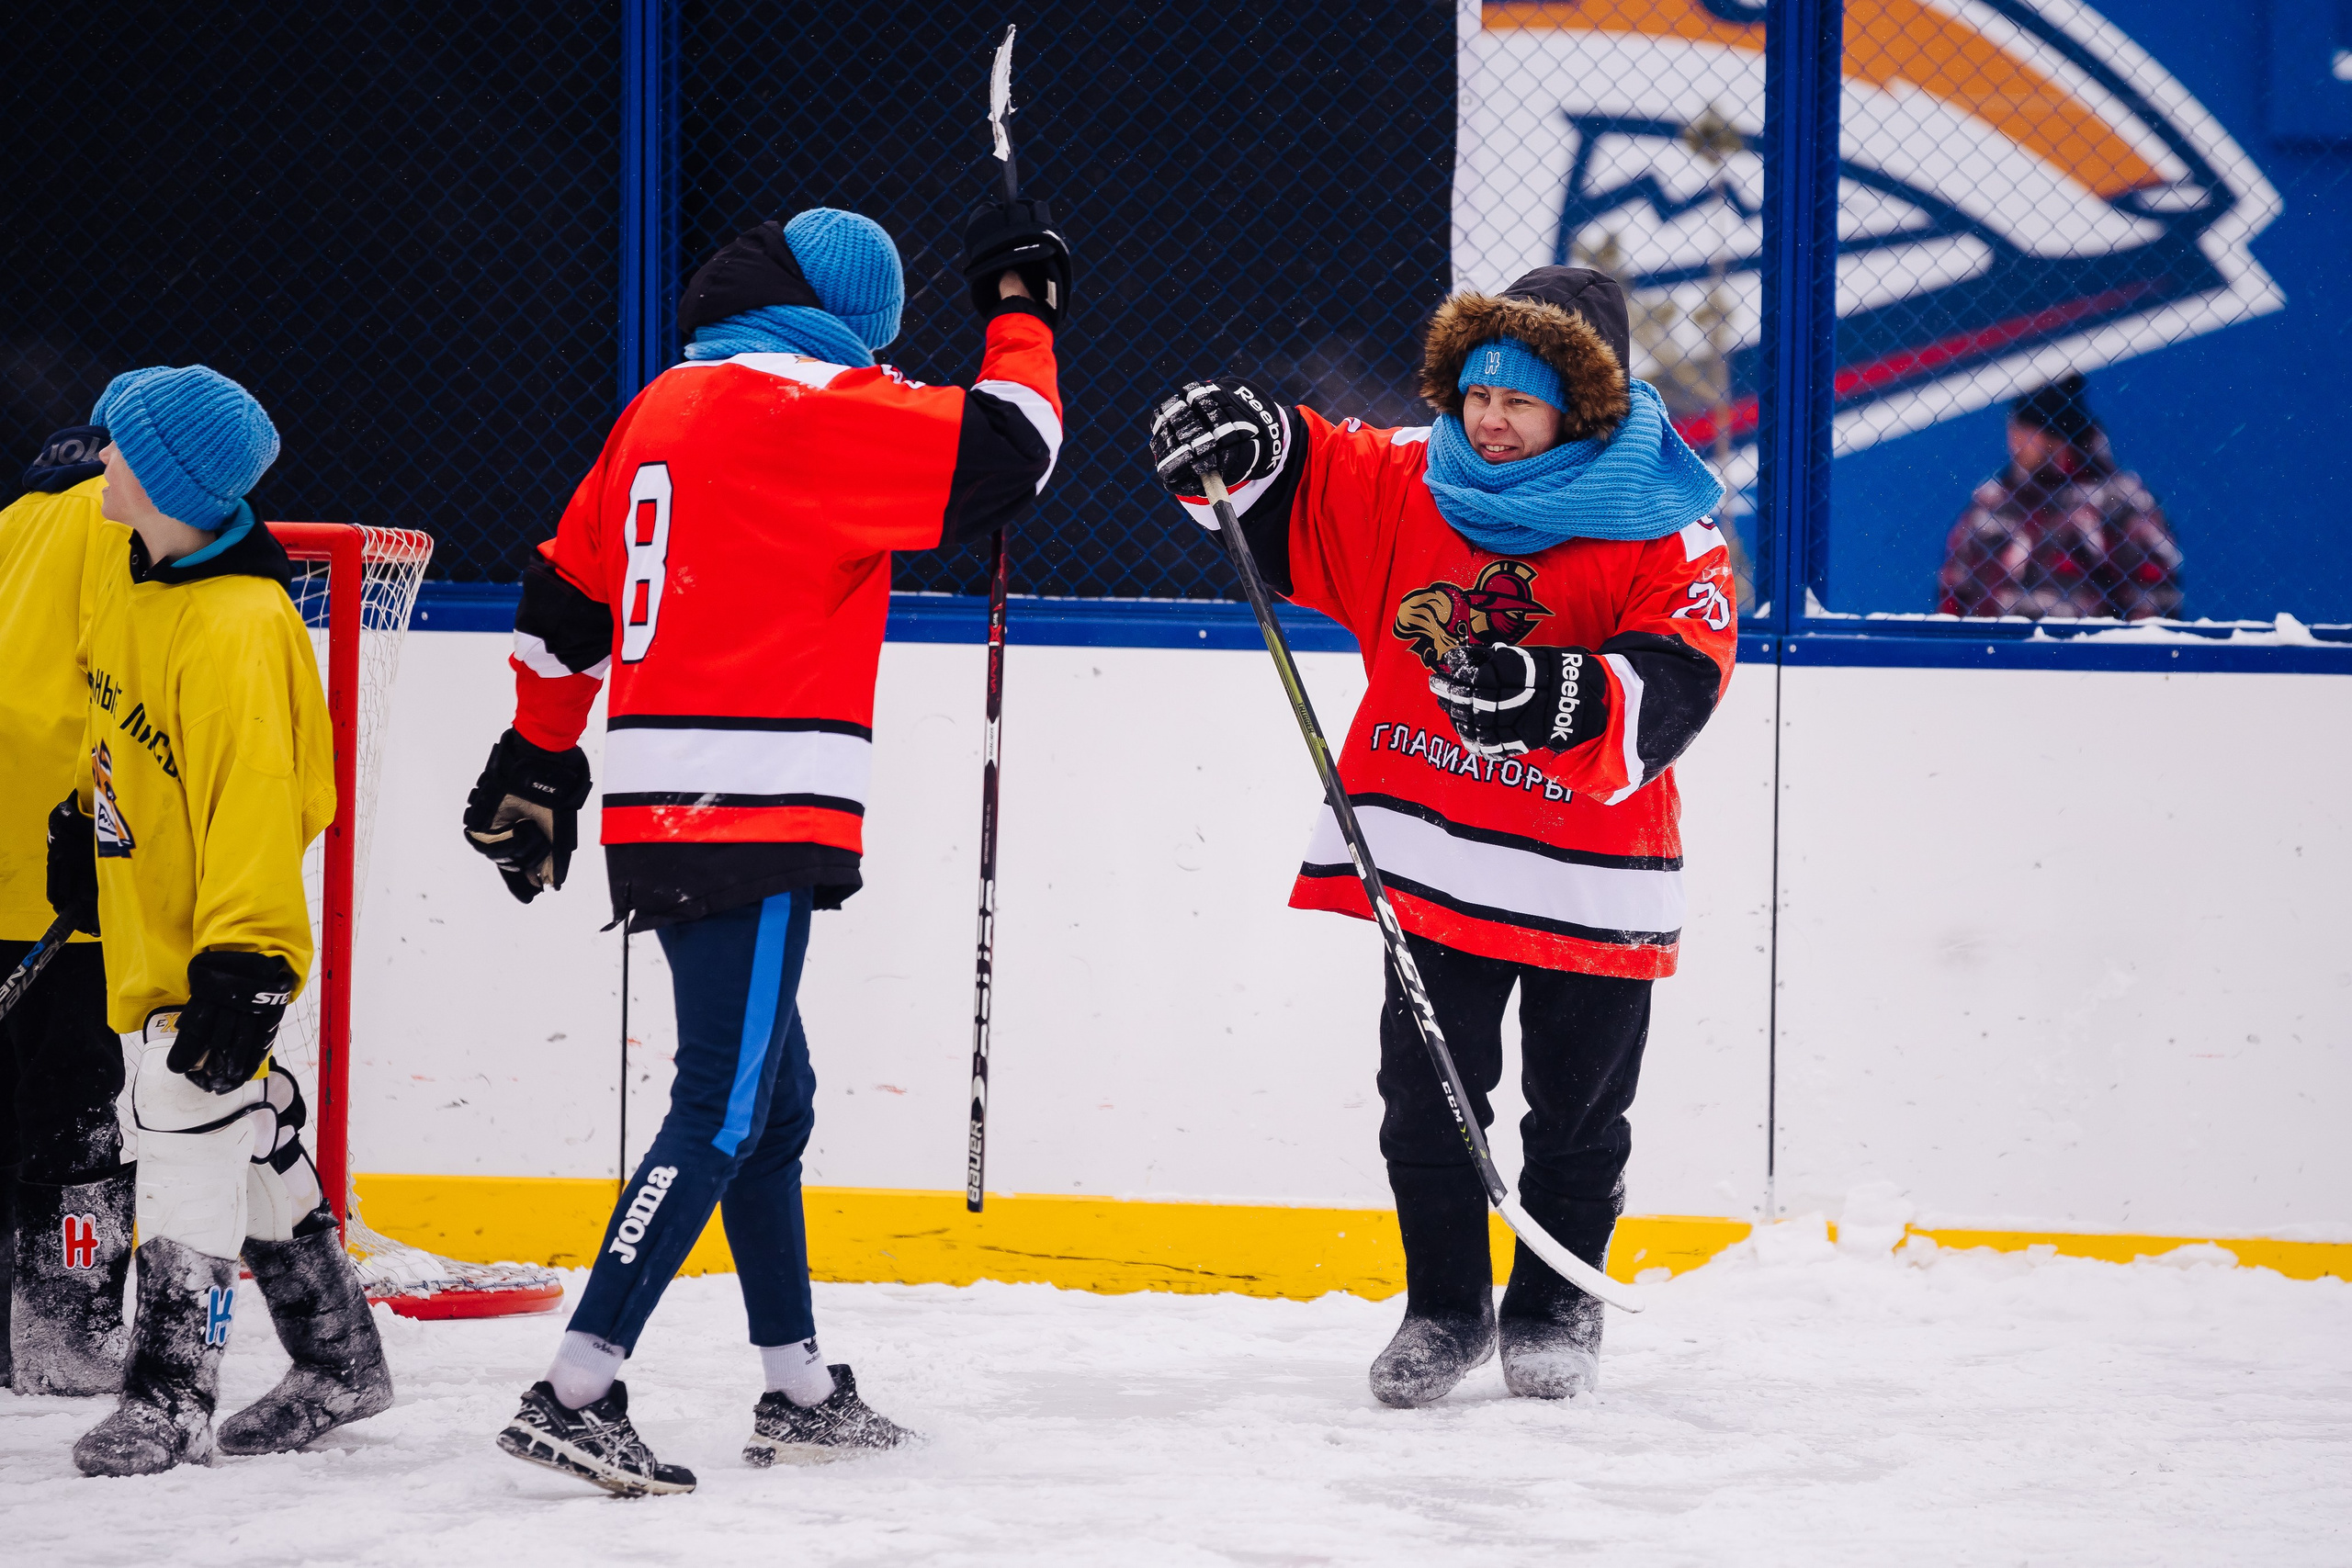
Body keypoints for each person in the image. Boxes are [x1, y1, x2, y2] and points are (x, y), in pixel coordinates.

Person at [468, 199, 1069, 1495]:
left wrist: (539, 752)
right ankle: (576, 1386)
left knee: (772, 1103)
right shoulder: (809, 407)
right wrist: (1020, 307)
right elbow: (1013, 449)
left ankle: (796, 1386)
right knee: (724, 1106)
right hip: (752, 797)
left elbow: (564, 599)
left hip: (667, 796)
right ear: (850, 323)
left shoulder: (667, 404)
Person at [1148, 266, 1736, 1407]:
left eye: (1519, 402)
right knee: (1425, 1098)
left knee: (1577, 1113)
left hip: (1591, 873)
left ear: (1583, 405)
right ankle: (1445, 1309)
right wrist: (1244, 436)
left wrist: (1548, 695)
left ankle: (1557, 1307)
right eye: (1476, 393)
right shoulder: (1416, 475)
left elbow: (1682, 672)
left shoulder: (1666, 522)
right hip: (1436, 857)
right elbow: (1313, 469)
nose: (1489, 421)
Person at [53, 366, 391, 1476]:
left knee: (182, 1135)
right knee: (241, 1135)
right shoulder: (133, 584)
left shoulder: (243, 626)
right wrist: (82, 827)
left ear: (161, 474)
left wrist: (248, 961)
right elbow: (118, 739)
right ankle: (339, 1362)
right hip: (149, 935)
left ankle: (169, 1399)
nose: (102, 456)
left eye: (118, 443)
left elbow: (261, 802)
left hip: (215, 947)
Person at [0, 423, 135, 1396]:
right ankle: (65, 1329)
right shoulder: (123, 525)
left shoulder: (8, 526)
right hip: (67, 867)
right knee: (75, 1107)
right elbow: (122, 693)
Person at [1939, 373, 2180, 620]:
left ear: (2055, 435)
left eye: (2026, 429)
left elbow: (2154, 597)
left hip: (2085, 641)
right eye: (2013, 428)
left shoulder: (2119, 501)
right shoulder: (1992, 502)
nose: (2014, 440)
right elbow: (1954, 589)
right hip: (1997, 642)